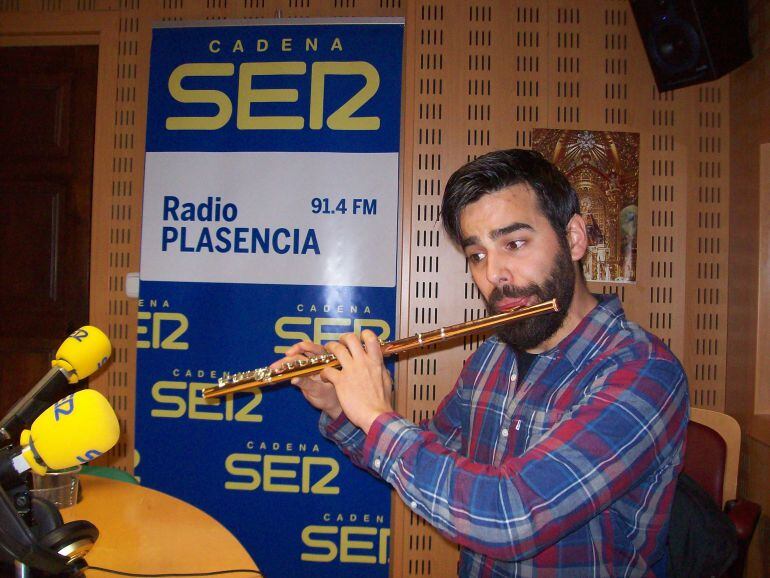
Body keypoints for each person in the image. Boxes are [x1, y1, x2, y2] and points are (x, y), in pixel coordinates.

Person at [274, 149, 689, 577]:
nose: (494, 274)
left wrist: (377, 417)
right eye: (477, 255)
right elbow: (429, 467)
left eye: (515, 243)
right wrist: (343, 409)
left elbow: (511, 519)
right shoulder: (493, 355)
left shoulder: (644, 372)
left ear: (575, 239)